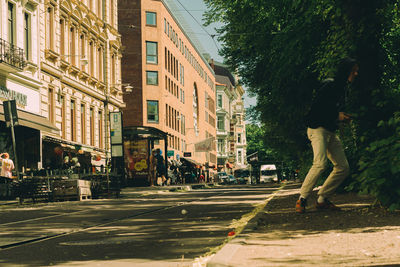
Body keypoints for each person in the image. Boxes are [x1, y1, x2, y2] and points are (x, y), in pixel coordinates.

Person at [296, 58, 359, 213]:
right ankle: (302, 199)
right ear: (346, 71)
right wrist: (338, 116)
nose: (356, 73)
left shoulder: (343, 88)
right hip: (317, 129)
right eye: (354, 70)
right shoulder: (330, 85)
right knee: (320, 163)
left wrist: (342, 117)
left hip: (330, 130)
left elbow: (332, 111)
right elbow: (317, 109)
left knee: (343, 167)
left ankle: (322, 199)